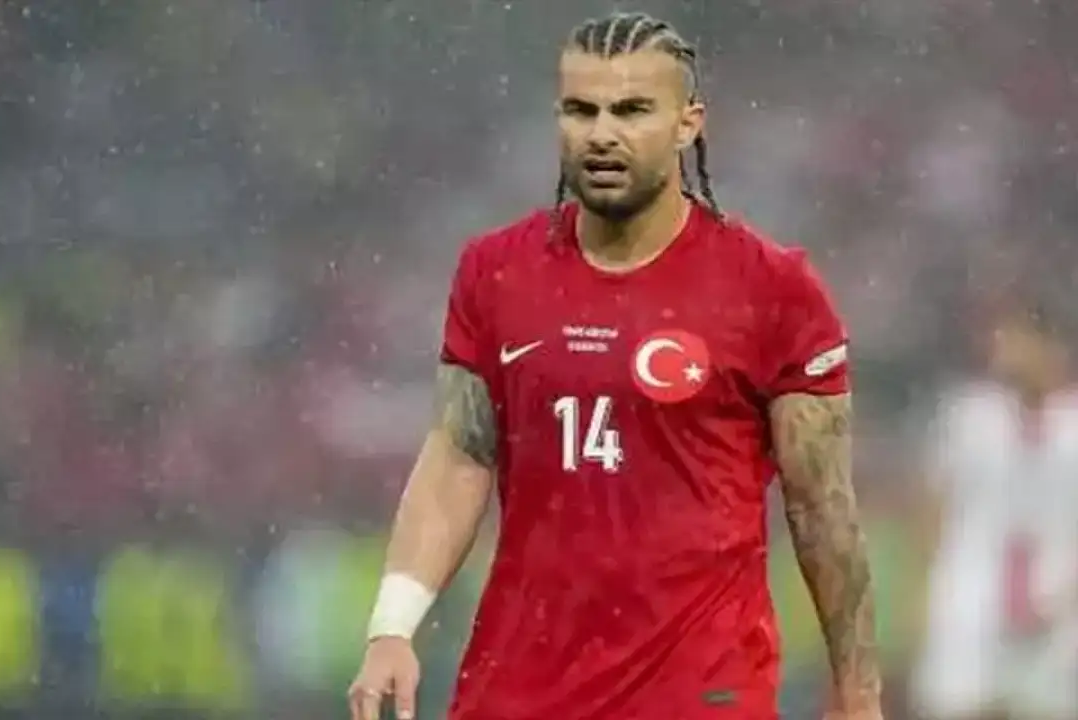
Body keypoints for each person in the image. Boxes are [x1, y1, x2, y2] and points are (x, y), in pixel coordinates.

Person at [348, 11, 882, 720]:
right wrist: (392, 627)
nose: (602, 133)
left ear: (688, 124)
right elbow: (459, 457)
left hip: (700, 693)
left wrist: (857, 694)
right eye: (581, 110)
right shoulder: (495, 272)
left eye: (632, 110)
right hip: (520, 690)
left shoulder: (772, 290)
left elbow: (821, 508)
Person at [914, 296, 1078, 720]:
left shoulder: (1072, 426)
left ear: (1053, 347)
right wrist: (930, 585)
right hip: (974, 590)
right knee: (960, 704)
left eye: (1018, 340)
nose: (1006, 352)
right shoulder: (970, 416)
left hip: (1058, 598)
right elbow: (935, 500)